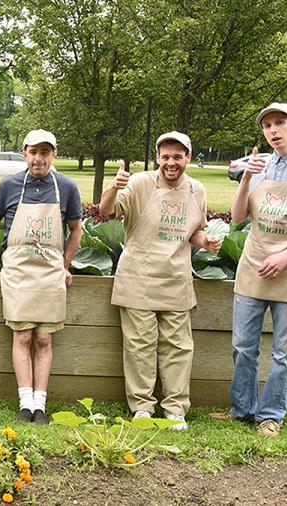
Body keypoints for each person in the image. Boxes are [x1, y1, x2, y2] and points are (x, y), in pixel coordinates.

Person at [210, 103, 287, 437]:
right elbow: (237, 216)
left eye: (280, 123)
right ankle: (242, 409)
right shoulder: (259, 168)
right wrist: (246, 177)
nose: (273, 131)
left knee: (284, 351)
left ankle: (271, 415)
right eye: (267, 126)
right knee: (243, 345)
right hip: (254, 266)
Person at [98, 131, 221, 430]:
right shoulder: (140, 183)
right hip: (138, 277)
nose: (171, 162)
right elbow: (106, 211)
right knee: (140, 345)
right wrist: (114, 187)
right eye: (165, 156)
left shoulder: (197, 190)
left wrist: (205, 242)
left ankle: (175, 409)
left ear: (188, 158)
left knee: (178, 347)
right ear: (157, 158)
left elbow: (192, 231)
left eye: (178, 157)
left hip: (176, 279)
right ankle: (142, 407)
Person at [0, 130, 82, 423]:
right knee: (23, 334)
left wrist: (65, 265)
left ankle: (41, 404)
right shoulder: (9, 185)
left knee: (43, 338)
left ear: (53, 155)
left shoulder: (66, 188)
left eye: (45, 153)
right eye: (33, 152)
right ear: (24, 153)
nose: (39, 159)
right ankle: (25, 402)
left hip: (50, 272)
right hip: (18, 270)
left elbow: (76, 230)